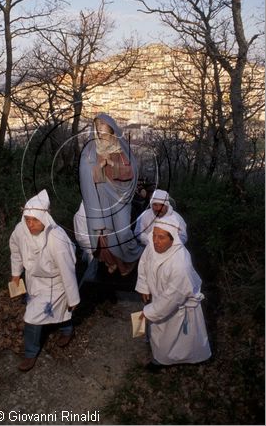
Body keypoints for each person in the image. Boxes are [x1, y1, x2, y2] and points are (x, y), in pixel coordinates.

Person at [10, 189, 80, 372]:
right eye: (28, 220)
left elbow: (67, 270)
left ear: (44, 220)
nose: (31, 224)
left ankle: (31, 352)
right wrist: (16, 273)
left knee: (33, 316)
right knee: (47, 311)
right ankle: (66, 328)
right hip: (34, 279)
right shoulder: (20, 231)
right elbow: (16, 250)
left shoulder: (57, 239)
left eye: (35, 220)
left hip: (55, 282)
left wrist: (73, 298)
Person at [135, 214, 211, 371]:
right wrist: (144, 285)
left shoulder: (180, 264)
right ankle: (162, 356)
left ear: (173, 239)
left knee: (174, 337)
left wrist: (148, 312)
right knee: (161, 334)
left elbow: (172, 298)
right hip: (161, 299)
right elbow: (143, 263)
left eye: (161, 237)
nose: (156, 241)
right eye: (154, 235)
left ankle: (165, 360)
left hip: (176, 307)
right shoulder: (153, 246)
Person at [79, 113, 144, 276]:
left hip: (120, 196)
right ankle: (115, 262)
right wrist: (99, 166)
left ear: (111, 126)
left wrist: (112, 163)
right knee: (105, 234)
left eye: (102, 124)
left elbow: (130, 172)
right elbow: (86, 174)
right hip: (101, 196)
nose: (99, 128)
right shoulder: (91, 148)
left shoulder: (120, 146)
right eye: (97, 124)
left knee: (122, 232)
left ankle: (134, 256)